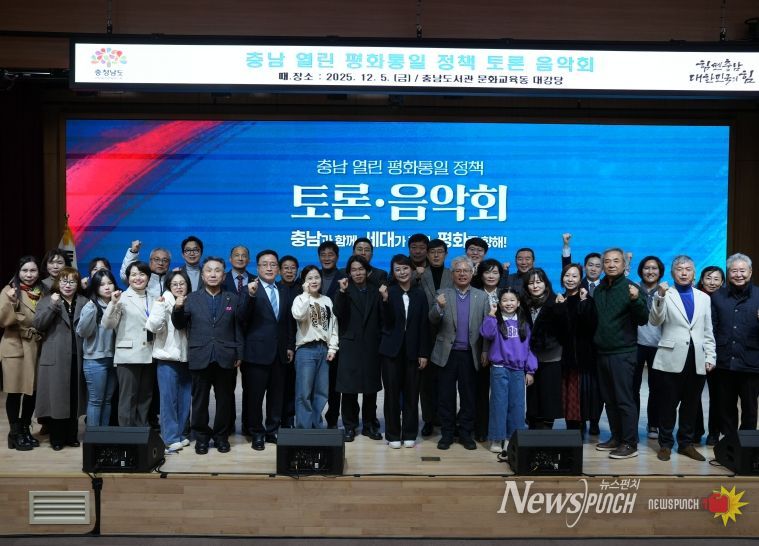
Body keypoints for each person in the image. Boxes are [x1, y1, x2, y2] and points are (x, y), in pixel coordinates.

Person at [172, 257, 249, 454]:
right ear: (202, 275)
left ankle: (221, 437)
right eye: (209, 270)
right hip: (200, 355)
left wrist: (239, 352)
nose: (213, 274)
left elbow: (238, 328)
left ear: (223, 276)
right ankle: (202, 438)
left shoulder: (233, 298)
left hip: (226, 356)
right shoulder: (191, 299)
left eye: (217, 271)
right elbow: (179, 325)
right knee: (199, 401)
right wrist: (177, 308)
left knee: (225, 400)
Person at [648, 255, 715, 462]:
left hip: (697, 358)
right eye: (679, 269)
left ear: (694, 273)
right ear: (672, 273)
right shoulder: (664, 294)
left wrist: (711, 355)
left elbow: (707, 330)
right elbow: (655, 320)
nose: (684, 272)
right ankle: (665, 444)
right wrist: (659, 296)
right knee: (668, 404)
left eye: (688, 269)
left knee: (691, 405)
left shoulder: (704, 298)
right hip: (671, 357)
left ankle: (686, 444)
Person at [593, 248, 649, 459]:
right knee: (609, 399)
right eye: (607, 261)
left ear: (624, 265)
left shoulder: (632, 288)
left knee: (624, 399)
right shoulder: (599, 290)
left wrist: (635, 300)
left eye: (616, 261)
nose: (611, 264)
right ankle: (616, 437)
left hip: (623, 352)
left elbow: (643, 319)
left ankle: (629, 443)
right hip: (602, 352)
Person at [429, 255, 490, 450]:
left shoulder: (482, 297)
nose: (462, 274)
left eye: (466, 271)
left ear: (472, 274)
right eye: (458, 271)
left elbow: (487, 327)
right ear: (452, 274)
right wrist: (439, 307)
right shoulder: (442, 293)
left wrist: (485, 350)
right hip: (447, 354)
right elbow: (432, 320)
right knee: (445, 397)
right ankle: (447, 434)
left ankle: (465, 433)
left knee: (468, 397)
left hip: (471, 354)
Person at [241, 250, 295, 450]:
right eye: (265, 264)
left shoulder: (284, 290)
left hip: (279, 354)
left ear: (278, 269)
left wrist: (289, 346)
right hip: (256, 354)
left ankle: (272, 430)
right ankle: (257, 432)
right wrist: (250, 296)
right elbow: (241, 317)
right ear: (257, 268)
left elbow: (288, 322)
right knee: (255, 397)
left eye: (273, 264)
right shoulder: (249, 289)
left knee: (276, 396)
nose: (269, 268)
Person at [378, 254, 431, 448]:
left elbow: (424, 325)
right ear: (393, 272)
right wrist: (385, 301)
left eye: (405, 268)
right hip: (391, 351)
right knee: (391, 394)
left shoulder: (420, 294)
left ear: (412, 270)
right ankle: (392, 434)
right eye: (397, 269)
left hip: (413, 351)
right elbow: (385, 322)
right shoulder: (388, 292)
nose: (402, 272)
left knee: (412, 394)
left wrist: (424, 353)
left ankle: (409, 433)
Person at [33, 267, 87, 450]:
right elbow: (39, 324)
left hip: (77, 356)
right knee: (57, 398)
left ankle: (71, 435)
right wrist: (53, 305)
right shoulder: (47, 300)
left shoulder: (84, 302)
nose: (68, 285)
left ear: (77, 284)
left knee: (73, 396)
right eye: (64, 281)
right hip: (55, 357)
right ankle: (57, 438)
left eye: (72, 281)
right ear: (58, 283)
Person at [480, 287, 537, 453]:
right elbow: (486, 333)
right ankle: (496, 438)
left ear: (518, 303)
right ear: (499, 303)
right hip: (499, 369)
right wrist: (491, 315)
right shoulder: (496, 321)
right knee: (498, 404)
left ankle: (512, 438)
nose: (508, 303)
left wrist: (530, 370)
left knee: (517, 405)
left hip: (518, 370)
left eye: (512, 300)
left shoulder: (523, 323)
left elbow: (530, 348)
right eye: (504, 300)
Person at [333, 255, 382, 442]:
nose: (358, 273)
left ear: (367, 271)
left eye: (361, 269)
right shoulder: (344, 290)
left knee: (370, 389)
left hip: (371, 345)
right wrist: (342, 292)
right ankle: (349, 426)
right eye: (354, 270)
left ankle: (369, 425)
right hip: (350, 346)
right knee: (349, 390)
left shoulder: (376, 290)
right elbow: (338, 312)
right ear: (349, 273)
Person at [710, 253, 759, 436]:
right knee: (726, 408)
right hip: (725, 362)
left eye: (742, 270)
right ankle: (730, 445)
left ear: (750, 272)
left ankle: (747, 447)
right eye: (734, 271)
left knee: (750, 409)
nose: (739, 275)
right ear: (728, 273)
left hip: (751, 363)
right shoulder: (717, 296)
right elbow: (712, 329)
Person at [102, 261, 156, 427]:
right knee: (128, 398)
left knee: (145, 397)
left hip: (150, 353)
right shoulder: (121, 297)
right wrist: (113, 303)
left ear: (148, 277)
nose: (138, 278)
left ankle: (142, 431)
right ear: (128, 278)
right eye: (133, 274)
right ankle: (127, 433)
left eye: (142, 274)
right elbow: (108, 324)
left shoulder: (155, 297)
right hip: (128, 355)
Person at [1, 256, 44, 450]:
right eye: (25, 270)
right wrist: (11, 303)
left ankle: (25, 429)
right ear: (18, 272)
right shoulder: (9, 290)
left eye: (33, 270)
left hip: (35, 346)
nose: (29, 274)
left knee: (31, 392)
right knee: (14, 391)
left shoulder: (43, 291)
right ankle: (15, 432)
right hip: (14, 346)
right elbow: (2, 320)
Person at [146, 270, 191, 453]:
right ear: (169, 286)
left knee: (184, 400)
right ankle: (170, 438)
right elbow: (152, 326)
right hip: (167, 358)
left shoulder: (190, 300)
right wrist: (159, 306)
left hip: (187, 358)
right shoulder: (163, 301)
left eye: (182, 283)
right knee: (168, 400)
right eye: (175, 284)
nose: (179, 287)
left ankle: (181, 434)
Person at [291, 265, 339, 429]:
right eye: (310, 278)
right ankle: (304, 429)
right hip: (305, 350)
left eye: (317, 277)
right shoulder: (300, 299)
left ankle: (316, 427)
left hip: (323, 350)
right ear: (304, 282)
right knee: (304, 393)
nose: (314, 281)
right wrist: (306, 294)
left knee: (321, 393)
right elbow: (298, 315)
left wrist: (332, 348)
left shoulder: (327, 300)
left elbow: (333, 326)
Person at [522, 268, 569, 430]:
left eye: (539, 282)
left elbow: (565, 330)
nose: (535, 286)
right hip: (530, 357)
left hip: (552, 356)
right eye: (531, 283)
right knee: (533, 396)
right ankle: (533, 425)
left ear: (546, 283)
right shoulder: (523, 303)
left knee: (549, 396)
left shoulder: (556, 301)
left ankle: (546, 429)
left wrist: (561, 308)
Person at [417, 238, 452, 437]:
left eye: (440, 251)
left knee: (446, 381)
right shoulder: (419, 275)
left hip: (448, 332)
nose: (436, 255)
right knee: (427, 382)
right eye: (432, 252)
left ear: (446, 254)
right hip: (425, 332)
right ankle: (429, 419)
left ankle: (445, 418)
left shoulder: (453, 274)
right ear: (427, 255)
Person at [76, 269, 118, 428]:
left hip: (113, 359)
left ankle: (103, 436)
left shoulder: (116, 303)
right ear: (95, 287)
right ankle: (93, 438)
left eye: (110, 283)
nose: (107, 287)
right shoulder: (91, 306)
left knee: (107, 401)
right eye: (102, 284)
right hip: (95, 360)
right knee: (96, 401)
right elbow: (82, 332)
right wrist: (90, 313)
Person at [558, 263, 597, 436]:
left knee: (578, 395)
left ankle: (578, 428)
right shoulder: (558, 299)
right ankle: (570, 427)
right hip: (561, 357)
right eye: (567, 275)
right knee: (566, 395)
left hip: (580, 357)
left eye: (574, 276)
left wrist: (583, 302)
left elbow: (590, 326)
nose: (570, 279)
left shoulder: (587, 300)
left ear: (580, 279)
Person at [472, 258, 504, 441]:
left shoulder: (506, 294)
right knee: (481, 392)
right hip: (478, 349)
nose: (491, 276)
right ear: (481, 274)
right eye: (487, 272)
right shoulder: (474, 293)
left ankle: (499, 430)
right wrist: (484, 350)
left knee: (500, 394)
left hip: (502, 350)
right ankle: (481, 429)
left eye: (495, 272)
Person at [317, 241, 347, 429]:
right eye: (323, 255)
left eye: (331, 254)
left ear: (337, 256)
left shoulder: (344, 277)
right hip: (315, 338)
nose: (327, 258)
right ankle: (314, 419)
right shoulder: (313, 276)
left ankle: (332, 419)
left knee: (335, 384)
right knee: (314, 383)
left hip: (337, 338)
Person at [636, 256, 665, 440]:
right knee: (632, 388)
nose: (650, 271)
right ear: (641, 271)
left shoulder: (666, 292)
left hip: (658, 345)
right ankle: (631, 424)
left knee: (657, 388)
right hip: (635, 344)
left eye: (654, 268)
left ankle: (653, 423)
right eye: (647, 268)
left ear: (660, 272)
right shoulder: (633, 289)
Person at [696, 265, 725, 445]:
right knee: (693, 394)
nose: (712, 282)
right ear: (702, 280)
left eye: (716, 279)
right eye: (708, 278)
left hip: (718, 353)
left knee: (717, 396)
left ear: (722, 282)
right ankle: (695, 430)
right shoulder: (694, 296)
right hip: (695, 351)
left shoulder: (726, 299)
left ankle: (714, 432)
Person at [278, 254, 300, 428]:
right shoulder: (275, 289)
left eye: (293, 268)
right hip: (282, 345)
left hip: (301, 344)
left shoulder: (303, 290)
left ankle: (290, 419)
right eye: (286, 268)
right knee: (281, 385)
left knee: (295, 385)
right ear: (279, 271)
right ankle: (279, 419)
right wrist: (287, 345)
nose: (289, 271)